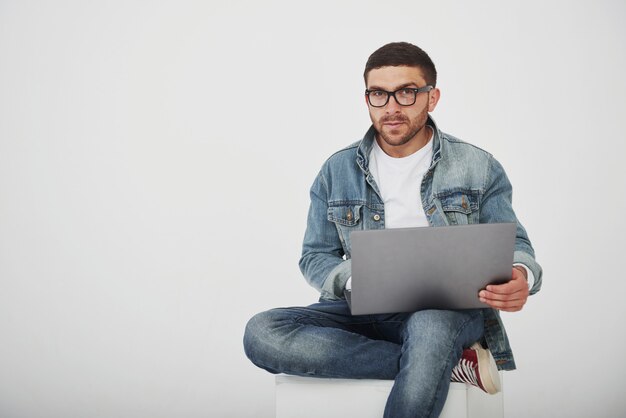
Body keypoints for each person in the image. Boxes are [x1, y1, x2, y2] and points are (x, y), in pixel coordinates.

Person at [243, 42, 542, 418]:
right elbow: (315, 255)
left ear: (432, 97)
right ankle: (444, 364)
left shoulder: (477, 165)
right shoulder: (336, 170)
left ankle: (434, 354)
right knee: (263, 332)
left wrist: (521, 274)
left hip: (444, 312)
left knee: (431, 331)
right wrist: (360, 280)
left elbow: (515, 245)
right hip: (363, 310)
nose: (392, 107)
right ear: (366, 98)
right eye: (378, 95)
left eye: (406, 92)